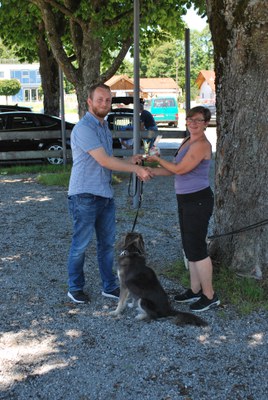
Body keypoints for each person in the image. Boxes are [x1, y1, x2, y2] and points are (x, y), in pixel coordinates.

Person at [67, 83, 152, 304]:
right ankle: (74, 288)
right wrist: (135, 169)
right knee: (80, 245)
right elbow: (104, 160)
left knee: (106, 245)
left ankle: (109, 286)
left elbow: (108, 162)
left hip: (104, 194)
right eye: (100, 99)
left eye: (108, 100)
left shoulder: (103, 127)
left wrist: (129, 160)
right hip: (84, 194)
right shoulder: (84, 128)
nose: (104, 103)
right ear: (89, 101)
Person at [146, 106, 220, 312]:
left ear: (206, 123)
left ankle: (210, 295)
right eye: (190, 119)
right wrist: (150, 170)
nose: (193, 123)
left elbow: (179, 169)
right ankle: (195, 290)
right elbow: (174, 171)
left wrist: (156, 159)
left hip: (198, 200)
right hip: (186, 199)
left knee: (197, 248)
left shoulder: (202, 144)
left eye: (198, 120)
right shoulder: (188, 140)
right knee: (189, 247)